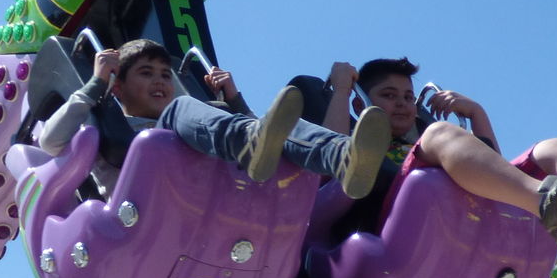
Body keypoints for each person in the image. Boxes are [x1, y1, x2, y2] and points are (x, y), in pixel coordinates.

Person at [320, 57, 557, 261]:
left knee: (552, 147)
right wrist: (340, 90)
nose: (402, 104)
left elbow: (493, 172)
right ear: (362, 103)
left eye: (407, 96)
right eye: (388, 96)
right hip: (395, 219)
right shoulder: (359, 141)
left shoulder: (428, 136)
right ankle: (549, 203)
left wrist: (477, 114)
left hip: (464, 216)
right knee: (439, 135)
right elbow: (330, 153)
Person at [35, 38, 392, 198]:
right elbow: (50, 141)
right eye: (146, 73)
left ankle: (340, 156)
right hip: (144, 208)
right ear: (118, 87)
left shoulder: (192, 122)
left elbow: (272, 137)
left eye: (165, 74)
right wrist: (96, 83)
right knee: (183, 108)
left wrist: (234, 100)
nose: (160, 82)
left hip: (211, 202)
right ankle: (248, 145)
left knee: (284, 125)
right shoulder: (110, 126)